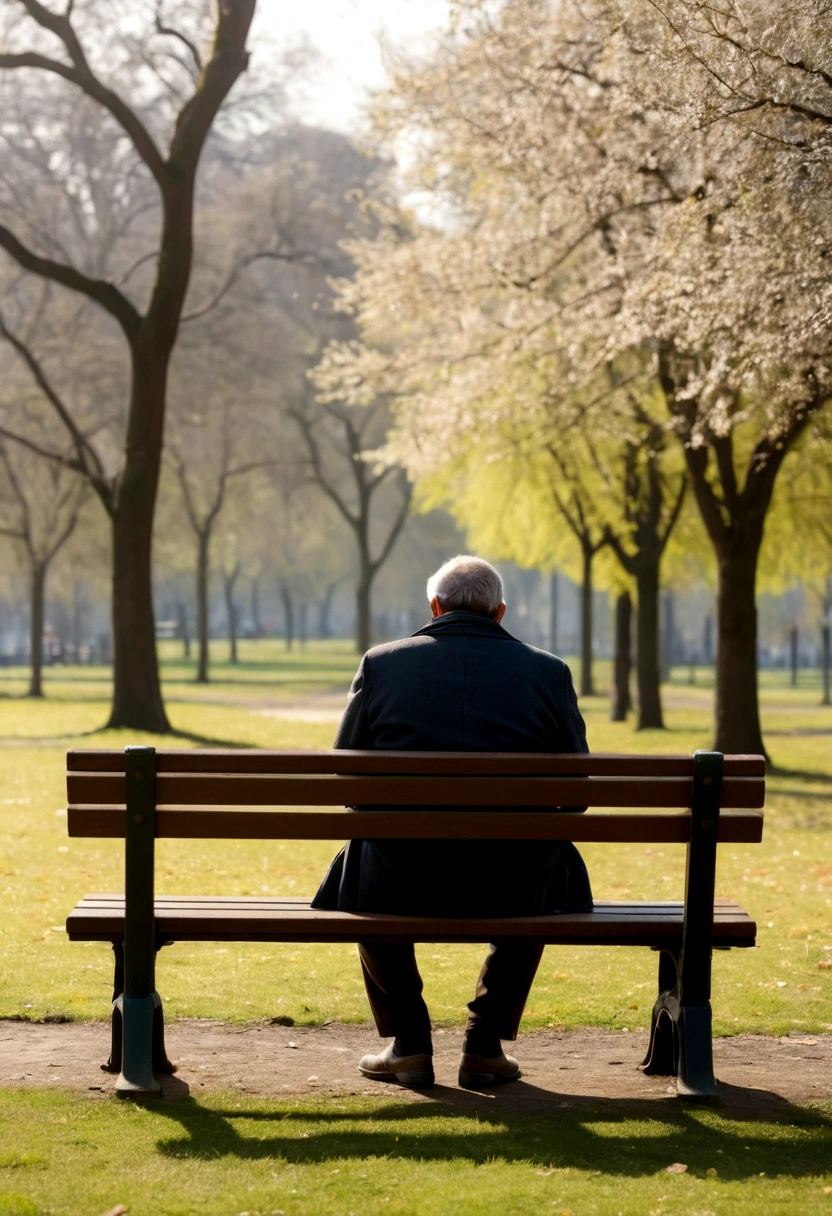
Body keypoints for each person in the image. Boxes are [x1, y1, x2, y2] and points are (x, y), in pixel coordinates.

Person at [311, 554, 592, 1090]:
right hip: (513, 878)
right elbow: (574, 797)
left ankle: (409, 1043)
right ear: (500, 612)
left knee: (361, 863)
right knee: (544, 859)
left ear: (435, 606)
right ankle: (484, 1046)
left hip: (399, 875)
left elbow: (347, 779)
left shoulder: (383, 663)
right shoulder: (549, 672)